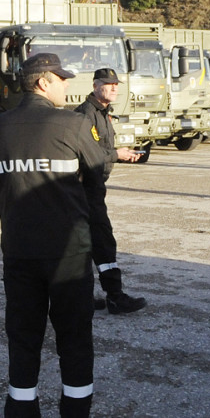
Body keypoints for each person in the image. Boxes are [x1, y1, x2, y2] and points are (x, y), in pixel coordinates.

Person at [0, 53, 107, 417]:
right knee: (74, 339)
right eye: (62, 78)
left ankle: (22, 411)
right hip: (67, 252)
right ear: (43, 83)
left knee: (23, 338)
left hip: (19, 250)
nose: (67, 84)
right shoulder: (71, 124)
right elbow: (98, 173)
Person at [73, 68, 146, 315]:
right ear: (95, 85)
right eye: (109, 84)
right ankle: (115, 297)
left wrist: (121, 153)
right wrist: (117, 154)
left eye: (116, 84)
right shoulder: (86, 115)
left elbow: (99, 149)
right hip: (85, 189)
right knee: (102, 242)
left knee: (86, 244)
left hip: (95, 187)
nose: (114, 88)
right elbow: (86, 155)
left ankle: (83, 297)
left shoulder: (103, 114)